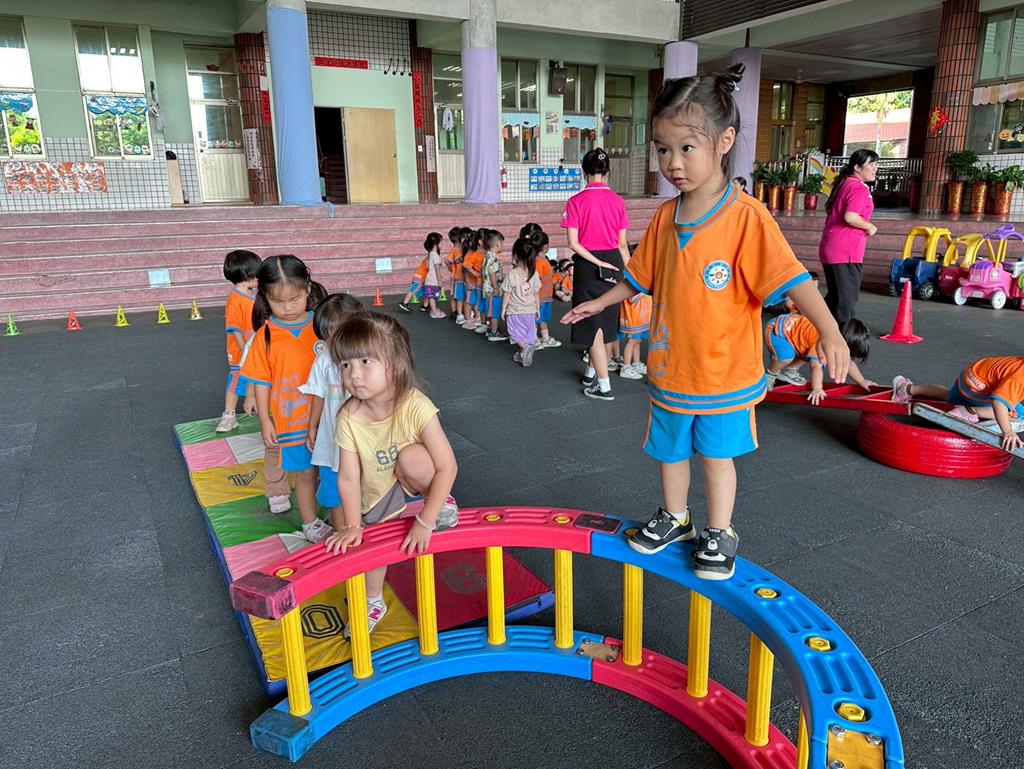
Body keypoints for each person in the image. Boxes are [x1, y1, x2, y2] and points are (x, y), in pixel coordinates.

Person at [562, 65, 850, 580]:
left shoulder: (746, 217)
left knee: (716, 456)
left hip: (723, 372)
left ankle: (720, 530)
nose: (673, 163)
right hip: (671, 368)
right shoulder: (665, 217)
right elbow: (640, 277)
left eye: (687, 148)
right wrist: (599, 302)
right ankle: (676, 518)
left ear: (725, 141)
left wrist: (829, 331)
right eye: (663, 149)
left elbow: (793, 279)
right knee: (670, 450)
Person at [324, 312, 459, 634]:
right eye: (345, 365)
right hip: (378, 488)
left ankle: (440, 501)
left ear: (395, 363)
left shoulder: (416, 404)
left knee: (414, 457)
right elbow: (348, 478)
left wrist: (426, 521)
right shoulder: (348, 418)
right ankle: (374, 601)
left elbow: (447, 466)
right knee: (368, 545)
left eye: (365, 361)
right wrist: (352, 525)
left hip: (413, 473)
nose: (354, 374)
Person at [241, 255, 334, 542]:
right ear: (265, 298)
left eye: (294, 299)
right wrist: (265, 421)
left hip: (330, 417)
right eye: (278, 301)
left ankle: (344, 516)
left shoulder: (323, 325)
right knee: (305, 473)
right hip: (291, 421)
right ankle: (310, 523)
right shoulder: (265, 336)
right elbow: (261, 381)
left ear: (308, 289)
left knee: (335, 469)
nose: (288, 308)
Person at [561, 148, 632, 401]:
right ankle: (591, 373)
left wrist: (595, 261)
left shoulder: (575, 201)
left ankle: (604, 386)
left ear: (584, 172)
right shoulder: (618, 201)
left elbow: (573, 243)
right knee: (604, 320)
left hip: (588, 265)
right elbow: (622, 245)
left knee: (593, 326)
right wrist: (632, 277)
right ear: (607, 172)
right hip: (614, 262)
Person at [301, 293, 364, 510]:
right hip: (333, 437)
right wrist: (312, 426)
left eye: (339, 335)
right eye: (327, 337)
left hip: (363, 435)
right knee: (336, 494)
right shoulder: (324, 360)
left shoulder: (369, 359)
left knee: (367, 488)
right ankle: (340, 528)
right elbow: (319, 394)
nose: (333, 343)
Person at [892, 357, 1024, 453]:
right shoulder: (1019, 378)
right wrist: (1008, 432)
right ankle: (969, 411)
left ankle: (906, 389)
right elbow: (998, 403)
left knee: (949, 396)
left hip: (969, 377)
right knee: (1017, 413)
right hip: (977, 388)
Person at [818, 149, 879, 323]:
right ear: (857, 168)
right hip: (846, 251)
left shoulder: (845, 183)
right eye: (871, 164)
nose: (875, 168)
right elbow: (851, 216)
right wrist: (869, 226)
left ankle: (816, 333)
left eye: (876, 164)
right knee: (845, 304)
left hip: (833, 247)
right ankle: (842, 338)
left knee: (835, 299)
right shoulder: (858, 188)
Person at [765, 315, 874, 403]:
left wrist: (862, 380)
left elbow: (848, 363)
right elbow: (815, 366)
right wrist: (817, 388)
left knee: (806, 351)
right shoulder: (822, 341)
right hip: (777, 329)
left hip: (794, 332)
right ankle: (770, 375)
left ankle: (790, 370)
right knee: (785, 357)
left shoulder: (836, 339)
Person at [216, 249, 261, 433]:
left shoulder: (255, 295)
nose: (259, 276)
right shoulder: (235, 300)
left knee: (259, 379)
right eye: (256, 273)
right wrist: (246, 353)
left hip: (256, 349)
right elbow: (236, 331)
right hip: (241, 352)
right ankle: (229, 416)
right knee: (236, 381)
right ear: (245, 274)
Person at [501, 233, 543, 367]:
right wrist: (538, 308)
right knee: (528, 333)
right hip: (530, 310)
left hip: (515, 310)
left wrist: (503, 309)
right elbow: (536, 293)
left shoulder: (512, 274)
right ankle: (522, 353)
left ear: (516, 255)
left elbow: (507, 293)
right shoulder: (534, 274)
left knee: (514, 333)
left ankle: (525, 348)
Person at [520, 223, 562, 349]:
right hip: (540, 297)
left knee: (543, 318)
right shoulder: (538, 262)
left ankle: (545, 338)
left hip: (546, 296)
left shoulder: (543, 260)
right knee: (535, 318)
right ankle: (532, 339)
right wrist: (537, 298)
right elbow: (535, 281)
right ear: (546, 247)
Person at [481, 229, 509, 342]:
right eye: (502, 243)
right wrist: (496, 288)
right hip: (493, 290)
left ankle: (491, 329)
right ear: (498, 243)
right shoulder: (494, 258)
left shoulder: (486, 256)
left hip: (487, 289)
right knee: (495, 312)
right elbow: (492, 273)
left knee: (490, 309)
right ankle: (493, 332)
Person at [617, 292, 652, 380]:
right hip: (634, 319)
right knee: (632, 342)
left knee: (637, 341)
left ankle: (636, 363)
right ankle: (626, 367)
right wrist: (645, 292)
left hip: (641, 318)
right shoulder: (636, 287)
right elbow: (631, 299)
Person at [421, 232, 447, 320]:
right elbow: (437, 269)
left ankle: (433, 309)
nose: (442, 244)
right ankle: (434, 311)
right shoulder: (435, 255)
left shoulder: (430, 254)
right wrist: (440, 281)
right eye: (441, 242)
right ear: (436, 244)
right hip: (433, 280)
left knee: (432, 295)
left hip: (429, 279)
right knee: (432, 296)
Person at [462, 230, 484, 331]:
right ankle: (467, 320)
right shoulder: (471, 254)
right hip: (471, 282)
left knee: (475, 301)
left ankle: (477, 317)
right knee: (469, 301)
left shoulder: (479, 253)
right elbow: (466, 267)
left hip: (477, 282)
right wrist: (472, 276)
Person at [445, 226, 466, 323]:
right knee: (456, 296)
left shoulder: (460, 248)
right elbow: (447, 260)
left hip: (460, 276)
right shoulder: (456, 249)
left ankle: (458, 311)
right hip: (457, 277)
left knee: (459, 295)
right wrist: (452, 269)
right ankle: (455, 312)